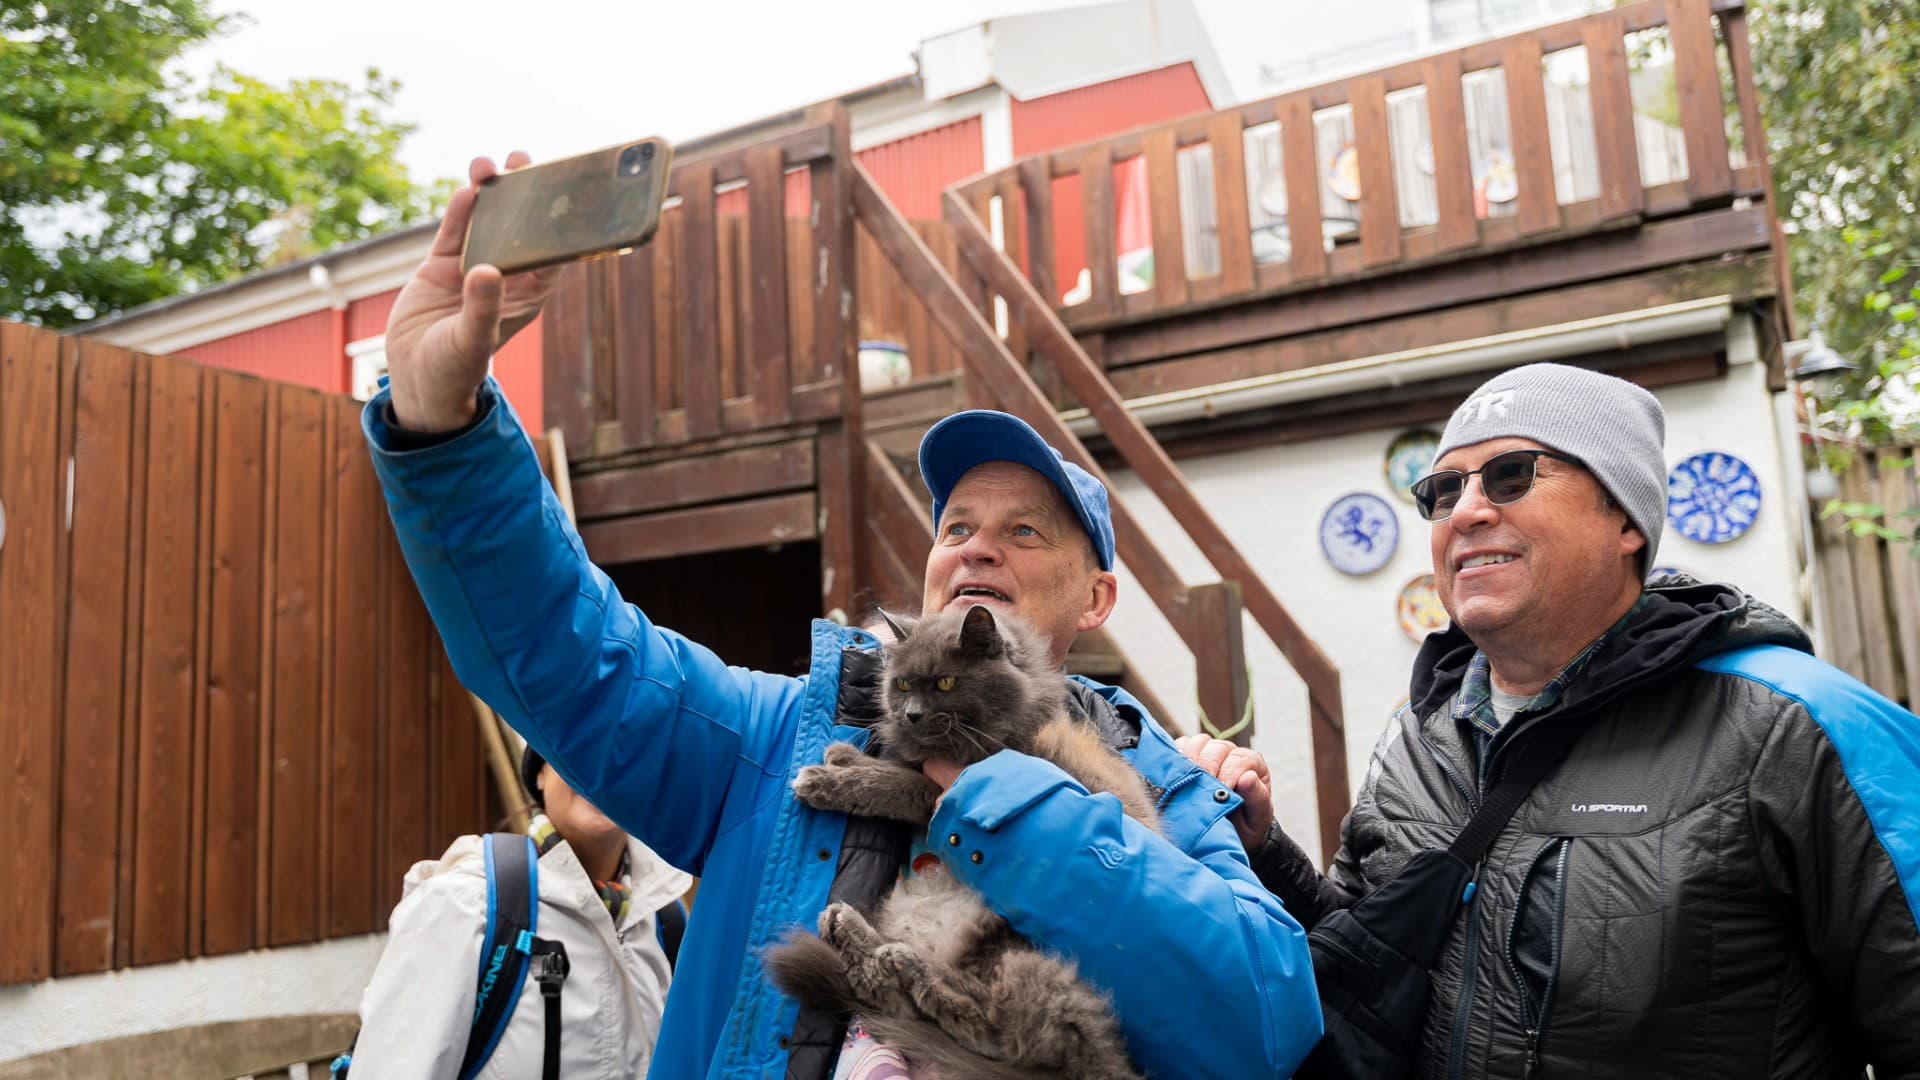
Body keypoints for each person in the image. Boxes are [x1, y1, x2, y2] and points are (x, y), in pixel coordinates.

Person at [360, 152, 1322, 1079]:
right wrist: (444, 432)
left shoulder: (1170, 785)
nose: (978, 547)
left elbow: (1263, 1023)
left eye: (1025, 531)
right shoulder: (779, 740)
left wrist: (1005, 801)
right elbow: (571, 654)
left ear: (1095, 599)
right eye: (956, 526)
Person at [1183, 362, 1920, 1077]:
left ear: (1625, 520)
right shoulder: (1420, 729)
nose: (1467, 510)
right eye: (1444, 490)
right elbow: (1373, 949)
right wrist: (1263, 850)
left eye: (1512, 475)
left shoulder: (1798, 724)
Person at [346, 745, 691, 1078]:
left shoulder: (665, 921)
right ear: (539, 773)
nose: (603, 767)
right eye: (581, 744)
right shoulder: (466, 904)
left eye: (629, 752)